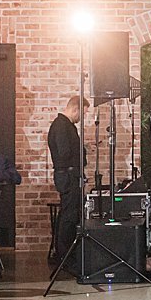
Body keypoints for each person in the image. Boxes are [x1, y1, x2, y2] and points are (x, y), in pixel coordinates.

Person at [47, 96, 86, 264]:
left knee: (69, 213)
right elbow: (64, 152)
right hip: (68, 176)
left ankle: (64, 252)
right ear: (75, 109)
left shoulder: (64, 125)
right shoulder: (62, 126)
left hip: (68, 174)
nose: (82, 118)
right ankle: (65, 254)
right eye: (83, 113)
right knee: (69, 216)